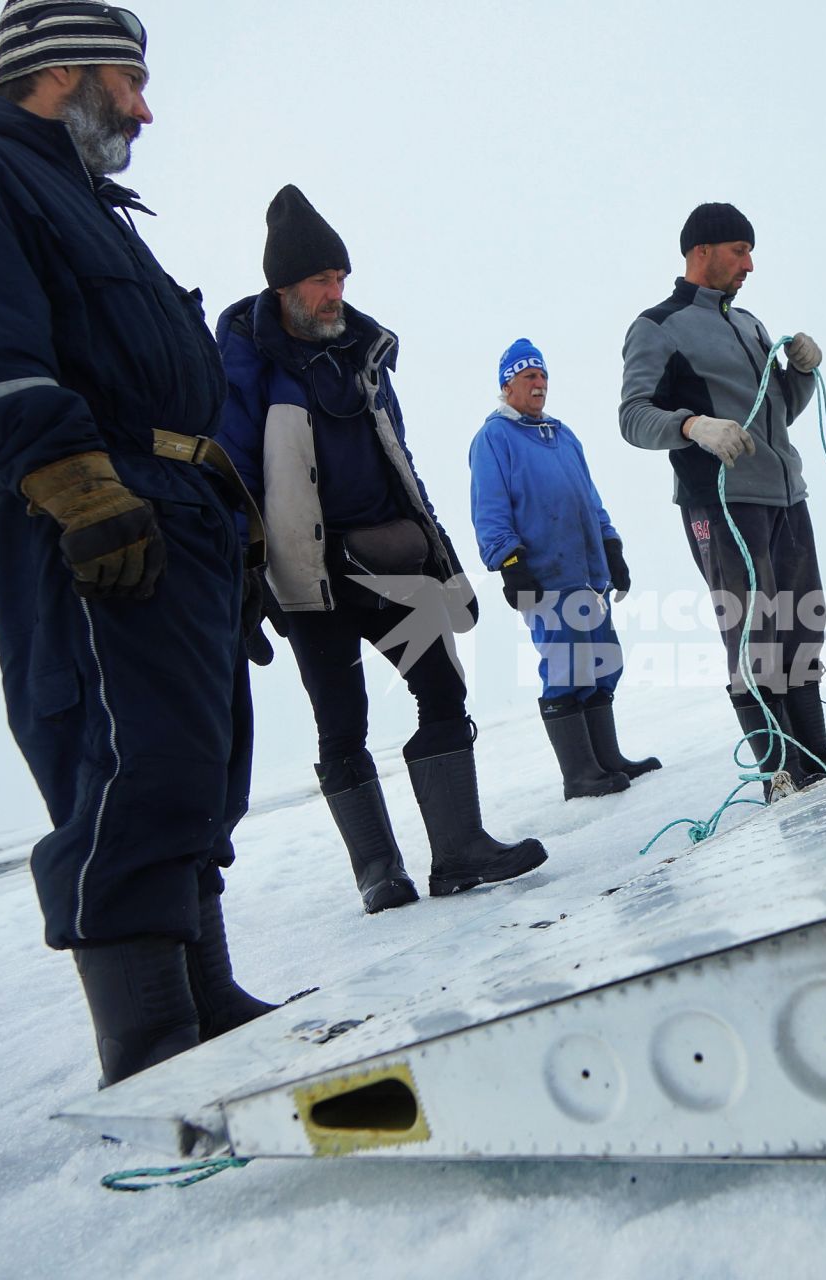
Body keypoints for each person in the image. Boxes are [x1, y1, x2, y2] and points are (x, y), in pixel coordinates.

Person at [0, 2, 274, 1087]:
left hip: (174, 504)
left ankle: (206, 994)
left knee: (197, 758)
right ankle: (148, 1041)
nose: (145, 107)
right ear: (59, 72)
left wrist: (223, 510)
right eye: (127, 82)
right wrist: (74, 485)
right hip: (86, 500)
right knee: (126, 755)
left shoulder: (88, 199)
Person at [215, 186, 546, 911]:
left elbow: (402, 462)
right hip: (309, 582)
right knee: (341, 722)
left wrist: (446, 559)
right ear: (284, 286)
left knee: (443, 689)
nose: (335, 294)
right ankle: (377, 871)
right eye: (320, 281)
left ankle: (459, 851)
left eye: (341, 279)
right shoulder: (247, 363)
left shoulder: (365, 356)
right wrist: (240, 572)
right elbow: (230, 467)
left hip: (390, 565)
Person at [619, 202, 826, 787]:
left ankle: (813, 755)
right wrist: (694, 426)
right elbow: (632, 416)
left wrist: (800, 371)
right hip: (719, 500)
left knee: (802, 622)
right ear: (702, 253)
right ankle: (779, 771)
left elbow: (778, 416)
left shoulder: (749, 323)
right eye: (739, 251)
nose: (750, 264)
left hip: (784, 494)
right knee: (754, 631)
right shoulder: (657, 326)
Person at [470, 340, 660, 799]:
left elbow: (588, 497)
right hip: (545, 574)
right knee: (565, 667)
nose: (539, 383)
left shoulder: (562, 434)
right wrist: (509, 564)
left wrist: (610, 543)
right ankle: (579, 775)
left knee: (602, 660)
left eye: (543, 375)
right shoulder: (494, 438)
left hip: (587, 572)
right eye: (529, 376)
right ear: (507, 384)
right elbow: (490, 509)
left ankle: (606, 760)